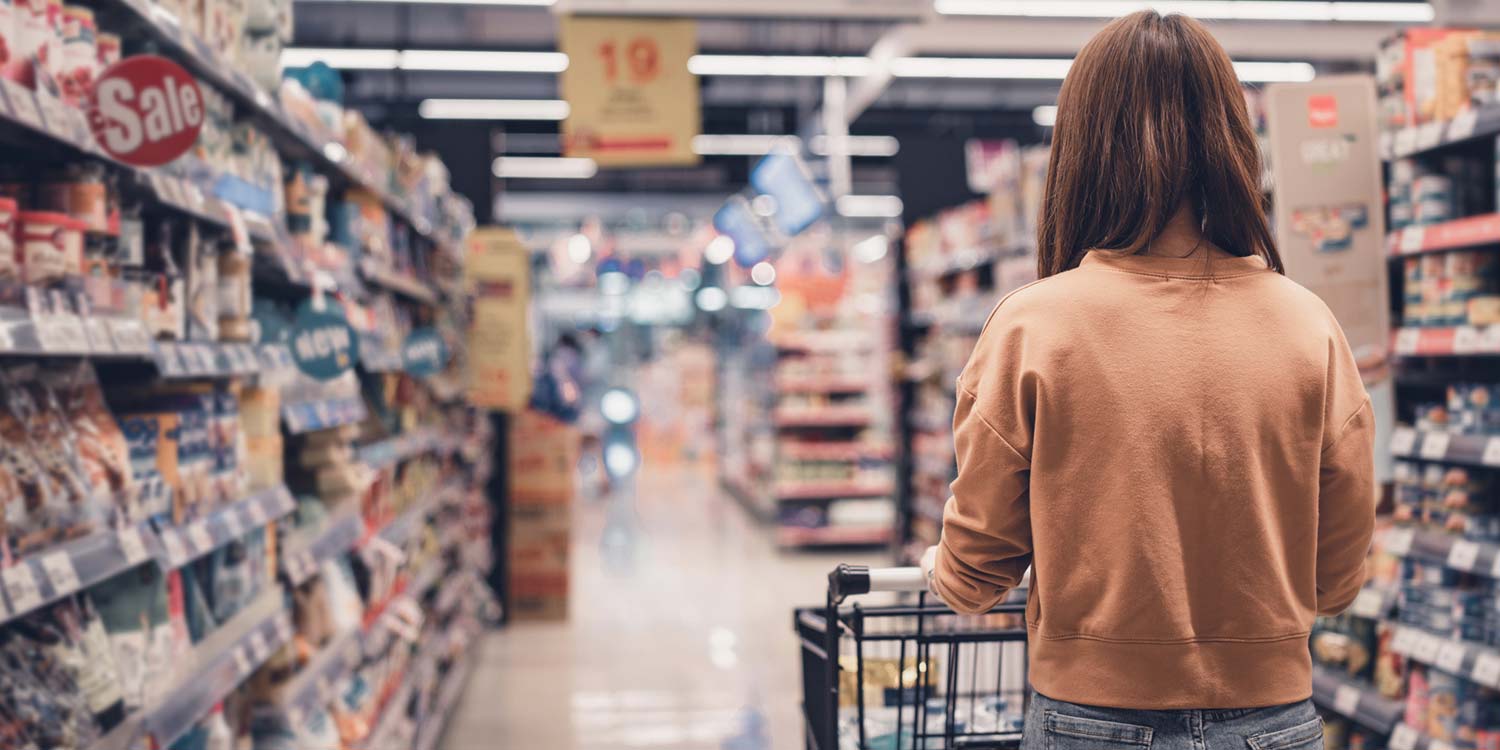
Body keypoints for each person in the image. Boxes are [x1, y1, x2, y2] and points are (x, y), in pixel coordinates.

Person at [917, 10, 1374, 750]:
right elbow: (1337, 577)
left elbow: (975, 573)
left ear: (1081, 150)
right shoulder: (1307, 324)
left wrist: (940, 568)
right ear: (1234, 139)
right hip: (1275, 718)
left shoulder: (1037, 325)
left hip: (1088, 720)